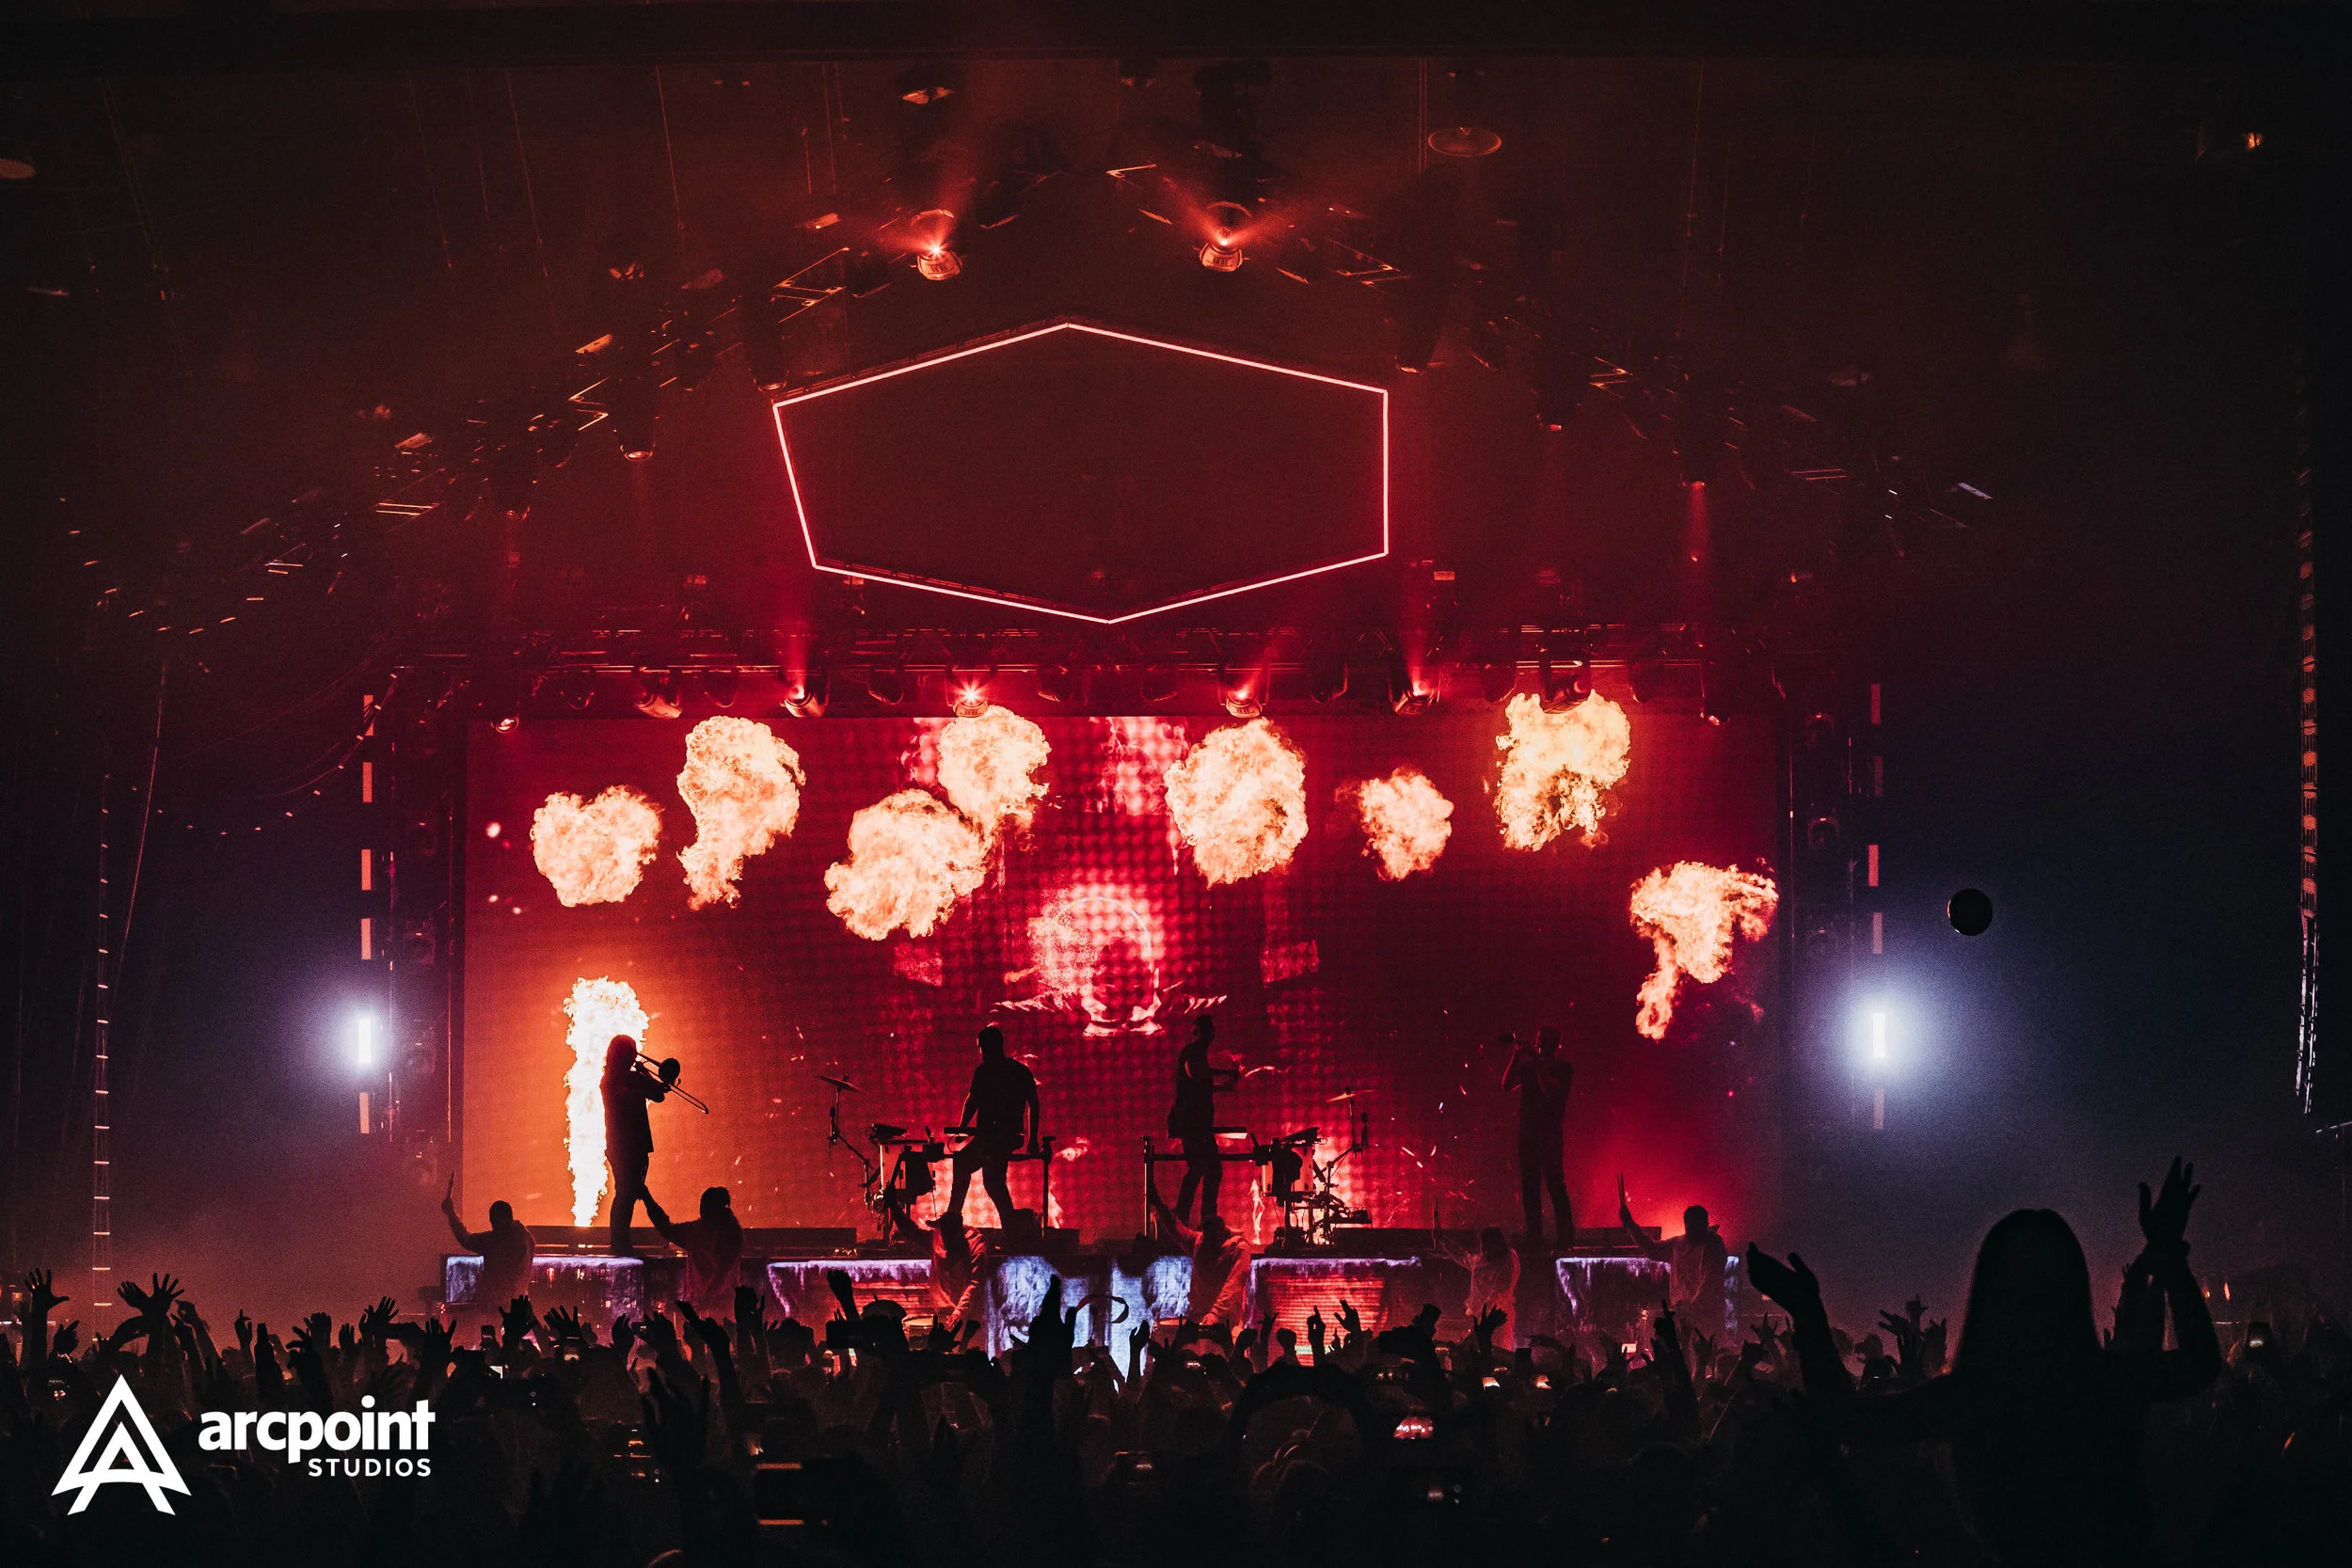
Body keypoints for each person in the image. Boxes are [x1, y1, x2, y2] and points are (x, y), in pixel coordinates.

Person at [1750, 1157, 2223, 1568]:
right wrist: (2167, 1255)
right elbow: (2201, 1363)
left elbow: (1850, 1422)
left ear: (1991, 1293)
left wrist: (1808, 1314)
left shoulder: (1975, 1395)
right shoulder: (2107, 1381)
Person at [946, 1024, 1041, 1228]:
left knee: (986, 1177)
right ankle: (1009, 1225)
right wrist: (1031, 1138)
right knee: (990, 1179)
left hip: (997, 1137)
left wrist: (963, 1127)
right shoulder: (1019, 1071)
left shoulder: (990, 1071)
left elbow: (972, 1101)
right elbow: (1033, 1104)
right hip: (998, 1137)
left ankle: (956, 1218)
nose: (981, 1053)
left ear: (991, 1047)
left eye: (982, 1048)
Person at [1619, 1177, 1730, 1332]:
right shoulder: (1679, 1244)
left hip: (1706, 1319)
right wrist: (1629, 1224)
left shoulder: (1714, 1245)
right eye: (1690, 1228)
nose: (1692, 1233)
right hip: (1686, 1318)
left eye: (1696, 1228)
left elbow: (1710, 1283)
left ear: (1705, 1225)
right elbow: (1651, 1248)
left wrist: (1690, 1310)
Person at [1503, 1026, 1573, 1247]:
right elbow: (1506, 1085)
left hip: (1550, 1136)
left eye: (1544, 1040)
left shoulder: (1563, 1068)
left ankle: (1565, 1235)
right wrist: (1516, 1057)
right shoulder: (1529, 1067)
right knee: (1530, 1187)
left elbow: (1549, 1091)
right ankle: (1535, 1235)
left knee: (1555, 1185)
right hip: (1528, 1135)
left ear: (1556, 1044)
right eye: (1539, 1040)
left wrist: (1536, 1064)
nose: (1540, 1044)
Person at [600, 1034, 669, 1255]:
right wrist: (645, 1084)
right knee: (625, 1193)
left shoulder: (633, 1077)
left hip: (637, 1143)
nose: (634, 1055)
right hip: (621, 1144)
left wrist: (647, 1075)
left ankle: (621, 1241)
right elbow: (624, 1097)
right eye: (630, 1051)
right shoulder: (610, 1078)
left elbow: (659, 1096)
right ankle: (619, 1241)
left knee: (627, 1194)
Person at [1167, 1015, 1240, 1222]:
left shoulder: (1197, 1054)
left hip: (1199, 1124)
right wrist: (1225, 1074)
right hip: (1192, 1123)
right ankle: (1188, 1215)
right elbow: (1197, 1074)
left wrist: (1221, 1086)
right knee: (1203, 1167)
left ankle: (1198, 1217)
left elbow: (1199, 1083)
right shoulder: (1192, 1053)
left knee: (1208, 1168)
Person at [1149, 1183, 1251, 1328]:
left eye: (1211, 1241)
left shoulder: (1239, 1248)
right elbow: (1177, 1229)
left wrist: (1215, 1313)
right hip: (1200, 1316)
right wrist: (1159, 1204)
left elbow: (1233, 1286)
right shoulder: (1200, 1241)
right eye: (1206, 1239)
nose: (1208, 1245)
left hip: (1227, 1322)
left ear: (1222, 1233)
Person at [441, 1178, 533, 1313]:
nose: (493, 1225)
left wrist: (451, 1214)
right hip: (520, 1304)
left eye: (494, 1221)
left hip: (495, 1305)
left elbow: (466, 1239)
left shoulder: (496, 1241)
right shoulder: (527, 1238)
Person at [645, 1185, 743, 1311]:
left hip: (721, 1304)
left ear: (719, 1209)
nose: (703, 1212)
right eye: (703, 1208)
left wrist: (706, 1298)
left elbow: (723, 1273)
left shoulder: (729, 1235)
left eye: (707, 1209)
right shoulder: (698, 1230)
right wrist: (648, 1200)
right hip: (705, 1301)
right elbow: (667, 1230)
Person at [929, 1210, 985, 1330]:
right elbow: (910, 1232)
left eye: (949, 1237)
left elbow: (974, 1283)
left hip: (971, 1317)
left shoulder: (976, 1244)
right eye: (944, 1236)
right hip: (942, 1313)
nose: (946, 1241)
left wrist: (958, 1312)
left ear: (959, 1232)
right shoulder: (937, 1237)